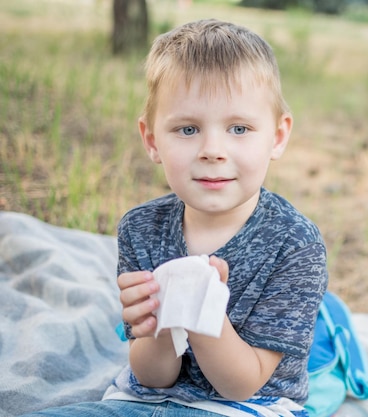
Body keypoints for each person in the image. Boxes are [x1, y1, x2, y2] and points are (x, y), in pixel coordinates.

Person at [22, 18, 328, 417]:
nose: (212, 150)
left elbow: (240, 384)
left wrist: (201, 311)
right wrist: (159, 327)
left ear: (277, 136)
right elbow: (152, 376)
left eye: (239, 128)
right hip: (146, 399)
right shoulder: (140, 229)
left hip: (250, 407)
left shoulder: (295, 244)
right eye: (187, 130)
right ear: (152, 140)